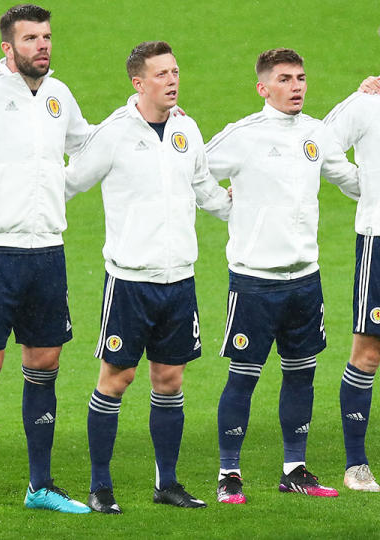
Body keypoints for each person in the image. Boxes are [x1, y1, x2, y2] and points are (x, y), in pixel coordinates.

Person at [66, 40, 231, 514]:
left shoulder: (187, 129)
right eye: (162, 74)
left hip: (179, 279)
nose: (173, 80)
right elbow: (71, 181)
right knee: (116, 379)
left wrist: (238, 204)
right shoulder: (114, 132)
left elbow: (204, 189)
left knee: (170, 380)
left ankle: (168, 484)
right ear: (138, 83)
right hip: (130, 281)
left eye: (175, 71)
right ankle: (100, 486)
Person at [0, 4, 92, 521]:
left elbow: (86, 143)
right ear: (8, 47)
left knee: (44, 363)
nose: (43, 46)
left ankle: (41, 485)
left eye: (47, 37)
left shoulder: (59, 95)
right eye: (31, 39)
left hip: (47, 249)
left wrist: (147, 118)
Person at [208, 48, 358, 504]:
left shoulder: (316, 134)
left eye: (301, 78)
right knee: (244, 376)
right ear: (263, 88)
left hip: (305, 278)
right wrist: (223, 206)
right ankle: (228, 474)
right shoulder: (242, 136)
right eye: (286, 79)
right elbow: (191, 172)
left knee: (302, 373)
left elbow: (349, 180)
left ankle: (295, 469)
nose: (297, 86)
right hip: (254, 280)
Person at [324, 76, 380, 493]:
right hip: (379, 241)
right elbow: (317, 144)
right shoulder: (365, 105)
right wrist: (360, 185)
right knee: (369, 349)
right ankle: (356, 466)